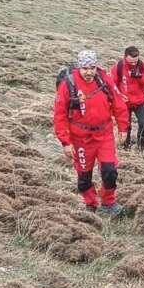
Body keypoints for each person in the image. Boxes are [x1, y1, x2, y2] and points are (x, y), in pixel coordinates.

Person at [53, 50, 130, 216]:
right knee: (84, 177)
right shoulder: (68, 84)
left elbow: (118, 103)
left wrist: (123, 128)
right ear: (79, 67)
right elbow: (59, 115)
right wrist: (65, 142)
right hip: (80, 138)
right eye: (85, 68)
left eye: (92, 68)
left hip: (104, 134)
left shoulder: (104, 79)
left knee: (110, 170)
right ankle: (91, 203)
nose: (89, 72)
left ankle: (109, 202)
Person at [110, 46, 144, 152]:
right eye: (131, 62)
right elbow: (111, 84)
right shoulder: (118, 67)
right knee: (126, 126)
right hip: (124, 102)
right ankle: (126, 146)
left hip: (140, 101)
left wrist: (139, 76)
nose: (134, 64)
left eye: (136, 61)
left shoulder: (142, 66)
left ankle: (141, 146)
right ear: (125, 57)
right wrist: (119, 95)